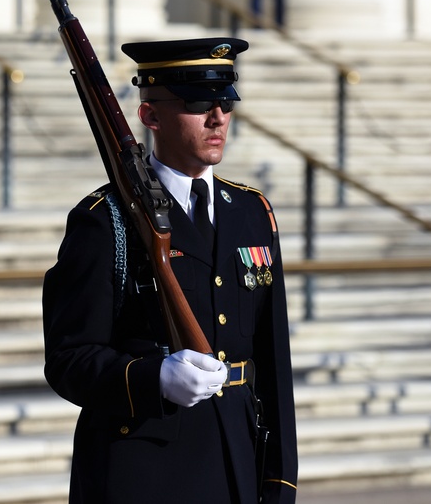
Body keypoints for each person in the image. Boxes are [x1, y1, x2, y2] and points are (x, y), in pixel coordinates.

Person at [43, 37, 298, 504]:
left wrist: (279, 481)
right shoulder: (106, 220)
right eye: (198, 103)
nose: (218, 116)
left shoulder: (251, 212)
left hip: (237, 463)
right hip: (144, 473)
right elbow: (68, 361)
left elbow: (273, 361)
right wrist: (154, 377)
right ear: (149, 116)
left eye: (225, 102)